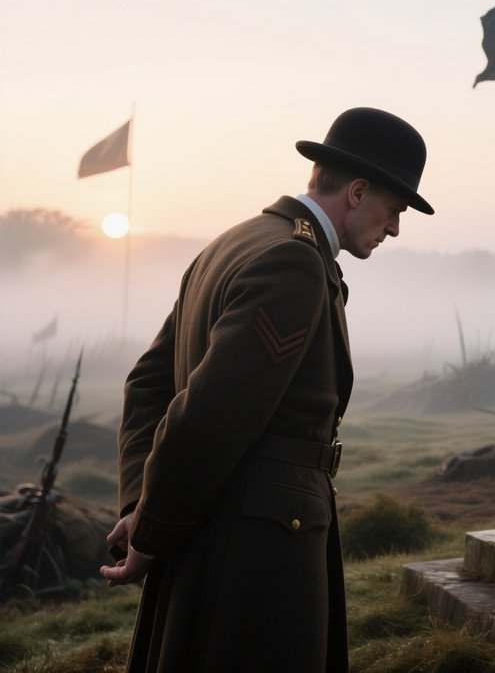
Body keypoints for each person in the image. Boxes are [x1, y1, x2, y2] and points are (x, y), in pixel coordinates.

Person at [100, 107, 434, 672]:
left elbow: (148, 382)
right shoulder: (293, 264)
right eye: (394, 208)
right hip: (257, 546)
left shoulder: (234, 242)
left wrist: (141, 501)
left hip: (220, 524)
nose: (396, 228)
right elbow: (207, 416)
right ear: (357, 192)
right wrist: (149, 532)